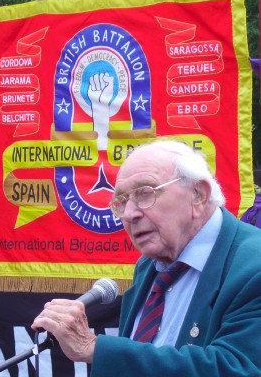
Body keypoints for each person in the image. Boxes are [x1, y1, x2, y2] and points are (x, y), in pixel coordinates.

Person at [32, 139, 261, 376]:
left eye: (145, 193)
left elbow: (236, 368)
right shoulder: (150, 265)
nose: (130, 214)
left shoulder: (253, 267)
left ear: (198, 195)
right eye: (121, 202)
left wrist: (94, 348)